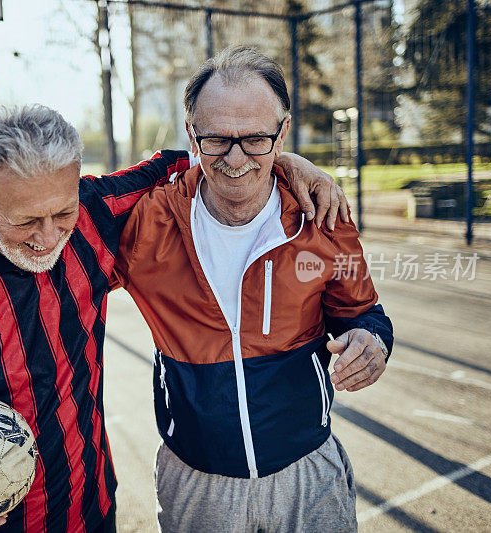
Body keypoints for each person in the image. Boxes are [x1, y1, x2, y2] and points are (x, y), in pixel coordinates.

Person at [0, 104, 347, 533]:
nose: (48, 237)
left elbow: (191, 161)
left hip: (91, 507)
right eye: (25, 220)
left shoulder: (95, 213)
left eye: (61, 213)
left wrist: (285, 163)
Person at [113, 46, 394, 532]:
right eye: (217, 139)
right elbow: (52, 226)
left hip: (308, 474)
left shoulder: (325, 218)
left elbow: (364, 313)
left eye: (256, 138)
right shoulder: (147, 223)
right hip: (196, 482)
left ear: (282, 132)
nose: (236, 158)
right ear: (191, 133)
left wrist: (373, 341)